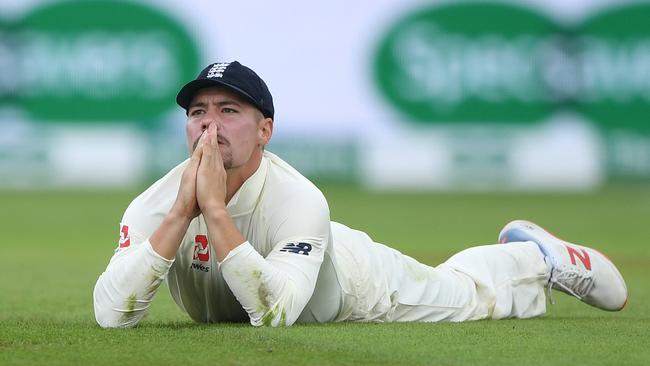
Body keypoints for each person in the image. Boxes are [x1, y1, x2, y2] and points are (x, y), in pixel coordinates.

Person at [93, 61, 627, 328]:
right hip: (281, 264)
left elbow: (275, 314)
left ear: (265, 131)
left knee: (467, 296)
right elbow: (111, 314)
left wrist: (211, 208)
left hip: (357, 285)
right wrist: (183, 211)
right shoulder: (155, 203)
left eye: (229, 111)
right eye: (197, 113)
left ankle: (537, 258)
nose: (210, 127)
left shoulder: (299, 198)